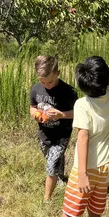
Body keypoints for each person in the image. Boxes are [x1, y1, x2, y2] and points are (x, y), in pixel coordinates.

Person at [47, 34, 109, 217]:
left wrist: (82, 175)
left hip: (86, 170)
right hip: (105, 167)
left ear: (84, 86)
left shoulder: (82, 105)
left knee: (69, 214)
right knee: (95, 211)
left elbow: (82, 139)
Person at [30, 55, 78, 201]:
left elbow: (77, 113)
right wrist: (36, 115)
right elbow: (32, 107)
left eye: (50, 81)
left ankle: (47, 198)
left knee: (51, 164)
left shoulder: (68, 92)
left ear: (58, 73)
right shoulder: (36, 89)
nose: (47, 85)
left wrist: (60, 115)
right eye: (42, 81)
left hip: (61, 135)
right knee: (51, 158)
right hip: (44, 134)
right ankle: (61, 176)